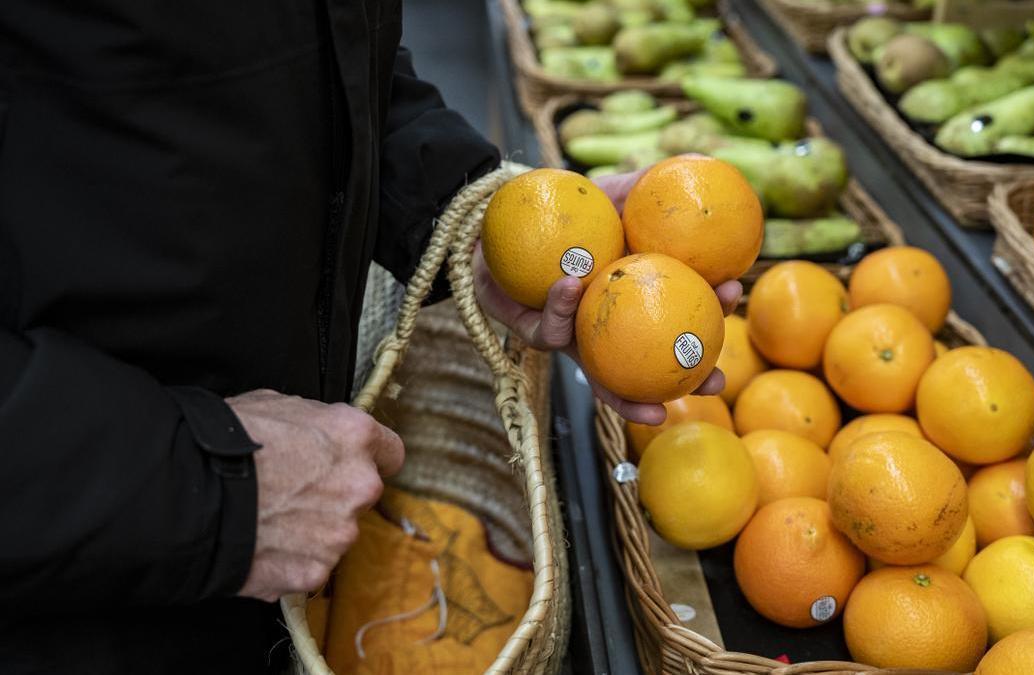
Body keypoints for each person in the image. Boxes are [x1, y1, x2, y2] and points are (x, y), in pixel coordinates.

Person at [0, 2, 739, 673]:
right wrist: (205, 490)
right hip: (72, 591)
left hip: (261, 534)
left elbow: (324, 59)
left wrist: (461, 213)